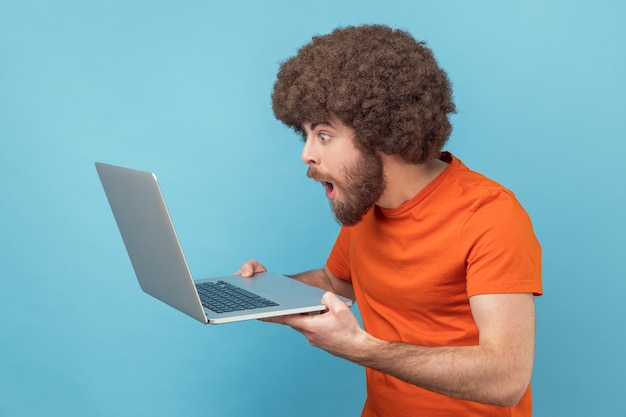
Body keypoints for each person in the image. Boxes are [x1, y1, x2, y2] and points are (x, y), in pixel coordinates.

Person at [236, 24, 542, 417]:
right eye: (306, 136)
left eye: (324, 135)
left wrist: (361, 349)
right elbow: (337, 284)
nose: (307, 155)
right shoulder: (366, 202)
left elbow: (506, 378)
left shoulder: (490, 215)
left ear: (380, 133)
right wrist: (253, 295)